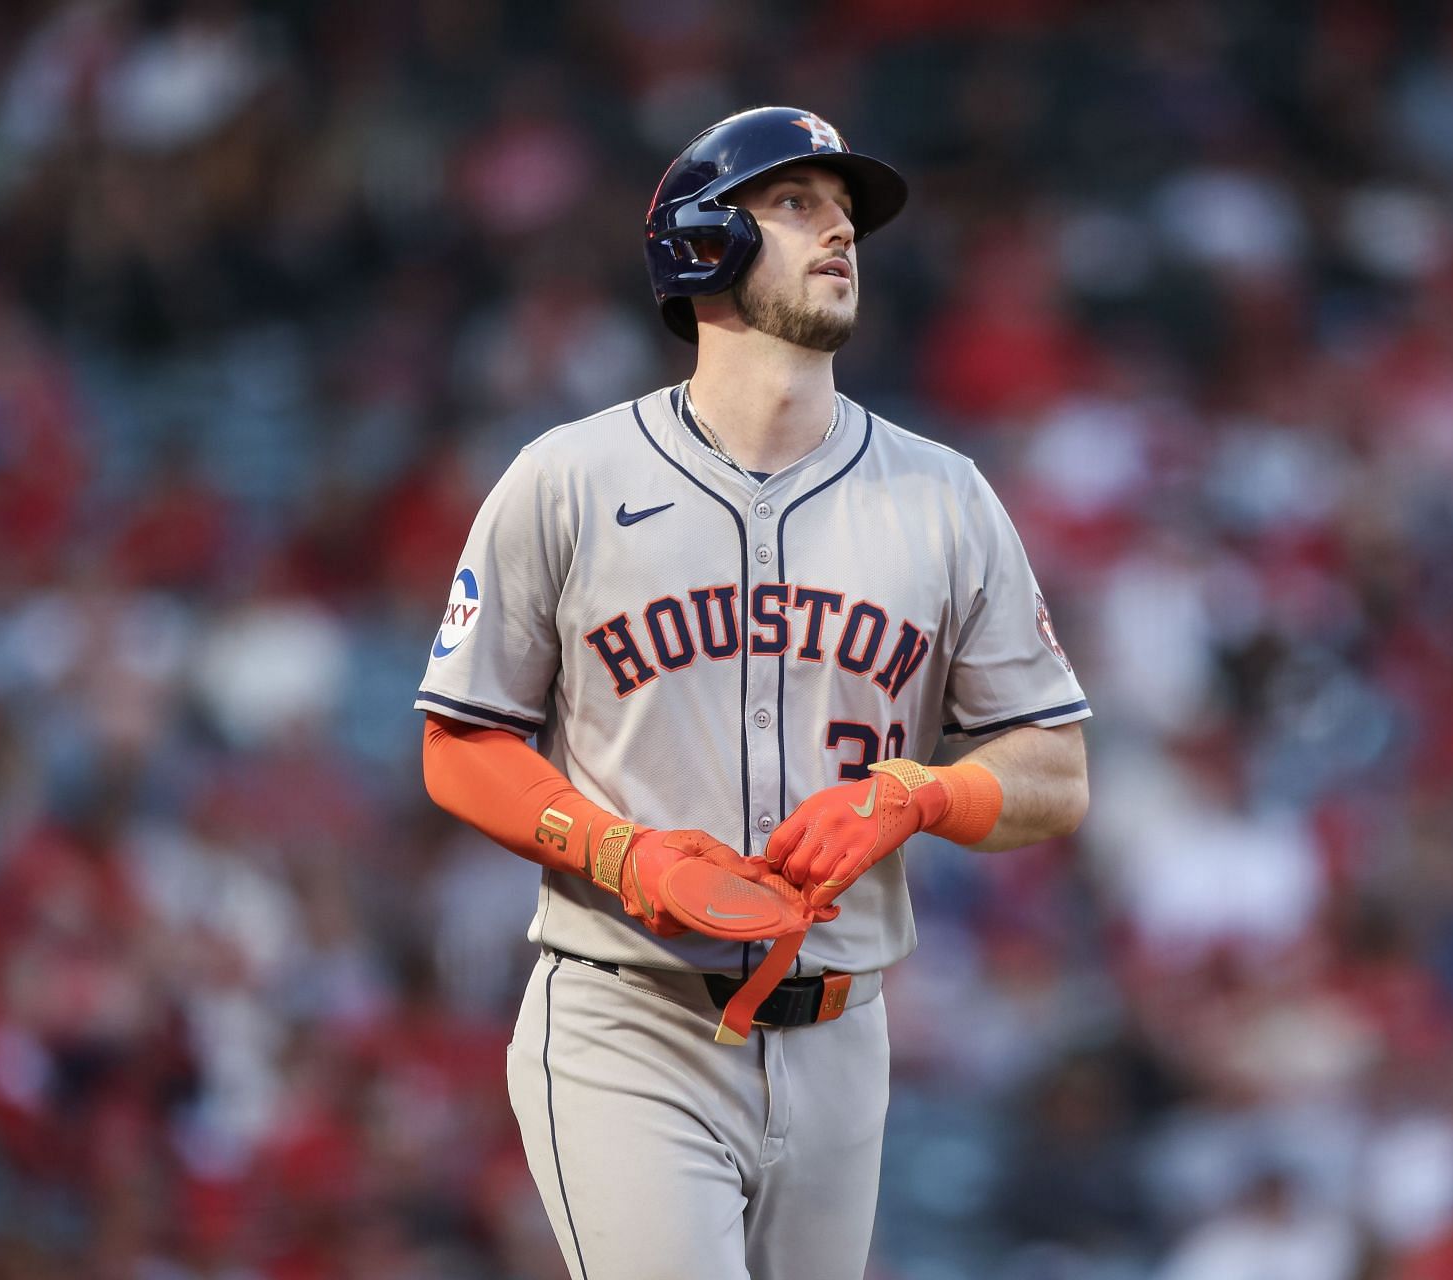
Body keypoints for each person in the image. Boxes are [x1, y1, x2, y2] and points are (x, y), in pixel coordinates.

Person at [415, 105, 1091, 1280]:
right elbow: (459, 743)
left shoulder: (947, 494)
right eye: (796, 205)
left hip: (842, 1036)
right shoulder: (567, 478)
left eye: (847, 217)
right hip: (633, 1015)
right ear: (699, 243)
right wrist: (627, 855)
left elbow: (1056, 770)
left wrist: (921, 794)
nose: (839, 234)